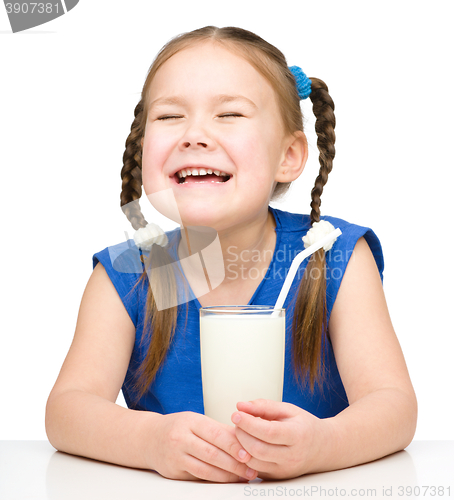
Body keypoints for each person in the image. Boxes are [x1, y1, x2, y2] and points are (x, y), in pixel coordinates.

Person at [45, 26, 417, 482]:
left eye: (229, 114)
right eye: (169, 117)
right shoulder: (133, 274)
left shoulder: (330, 258)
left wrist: (323, 445)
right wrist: (150, 441)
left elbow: (394, 405)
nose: (194, 134)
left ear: (289, 155)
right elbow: (66, 411)